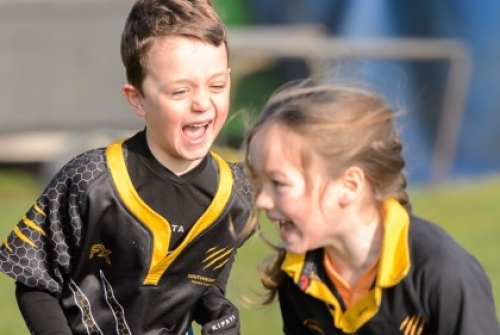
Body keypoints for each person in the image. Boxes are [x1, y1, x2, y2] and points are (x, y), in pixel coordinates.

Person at [0, 0, 253, 334]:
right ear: (137, 99)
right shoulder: (90, 180)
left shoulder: (236, 196)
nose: (203, 103)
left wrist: (218, 314)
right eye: (180, 91)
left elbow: (202, 285)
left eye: (217, 85)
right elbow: (35, 279)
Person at [242, 79, 500, 334]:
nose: (262, 200)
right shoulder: (299, 275)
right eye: (260, 182)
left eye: (278, 183)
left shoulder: (442, 272)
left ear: (349, 185)